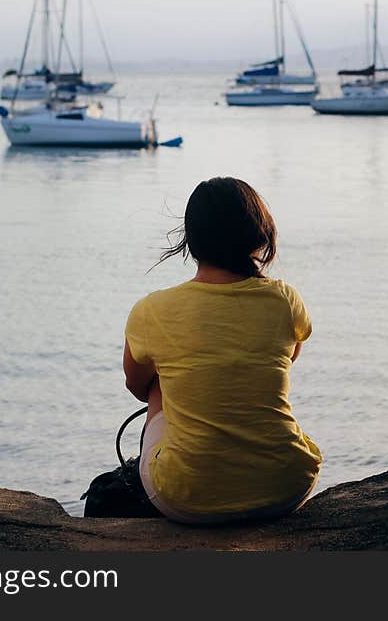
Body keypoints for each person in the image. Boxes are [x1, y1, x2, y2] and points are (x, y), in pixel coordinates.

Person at [123, 177, 322, 524]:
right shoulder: (285, 299)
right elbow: (289, 357)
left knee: (159, 380)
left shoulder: (152, 310)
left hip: (186, 499)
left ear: (191, 240)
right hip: (286, 488)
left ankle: (199, 471)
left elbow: (137, 387)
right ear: (259, 234)